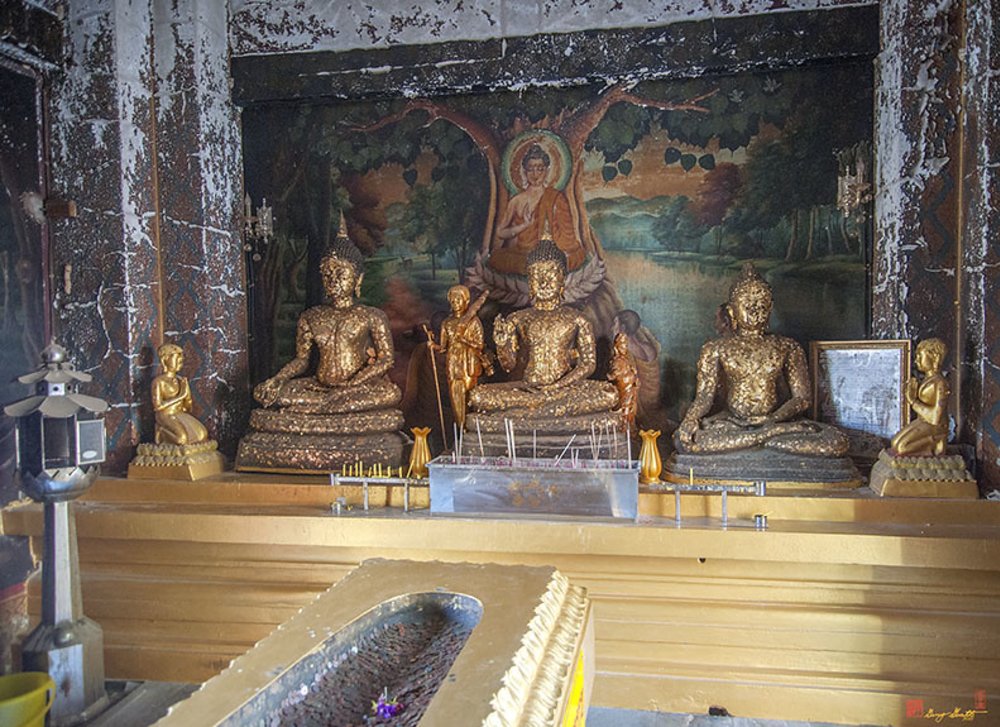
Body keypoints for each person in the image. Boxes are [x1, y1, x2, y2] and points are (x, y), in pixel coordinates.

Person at [675, 263, 848, 457]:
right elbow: (705, 397)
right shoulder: (715, 349)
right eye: (746, 302)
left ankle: (761, 437)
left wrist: (771, 419)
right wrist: (690, 420)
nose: (754, 308)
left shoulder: (787, 346)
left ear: (770, 307)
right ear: (732, 311)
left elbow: (802, 399)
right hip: (734, 424)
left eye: (761, 302)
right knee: (688, 441)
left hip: (778, 421)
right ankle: (769, 437)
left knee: (836, 441)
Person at [469, 236, 617, 419]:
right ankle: (544, 410)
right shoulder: (518, 318)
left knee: (608, 394)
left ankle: (527, 413)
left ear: (562, 279)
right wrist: (502, 345)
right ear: (529, 281)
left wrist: (557, 387)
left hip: (564, 390)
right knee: (478, 395)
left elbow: (588, 364)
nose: (544, 282)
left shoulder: (577, 319)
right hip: (529, 388)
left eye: (550, 275)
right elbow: (509, 365)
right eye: (537, 275)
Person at [252, 233, 400, 414]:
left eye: (341, 274)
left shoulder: (372, 316)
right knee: (268, 393)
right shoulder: (311, 316)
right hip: (320, 386)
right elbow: (301, 360)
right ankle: (328, 405)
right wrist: (279, 378)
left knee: (390, 393)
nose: (333, 281)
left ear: (357, 279)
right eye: (327, 274)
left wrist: (353, 384)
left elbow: (386, 359)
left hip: (356, 388)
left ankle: (316, 407)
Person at [488, 143, 586, 276]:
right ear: (524, 171)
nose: (535, 174)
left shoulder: (556, 198)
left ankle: (542, 266)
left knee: (577, 255)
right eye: (531, 169)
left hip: (552, 253)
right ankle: (540, 267)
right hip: (523, 254)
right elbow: (500, 232)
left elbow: (567, 237)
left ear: (546, 171)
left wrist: (556, 248)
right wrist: (524, 226)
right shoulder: (517, 200)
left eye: (540, 168)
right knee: (496, 258)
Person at [429, 285, 492, 429]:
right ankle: (460, 429)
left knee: (469, 395)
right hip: (452, 362)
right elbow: (444, 347)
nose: (455, 302)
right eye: (453, 299)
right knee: (455, 396)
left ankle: (472, 429)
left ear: (466, 301)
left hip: (468, 362)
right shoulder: (447, 323)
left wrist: (464, 340)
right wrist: (433, 345)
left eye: (459, 299)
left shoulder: (473, 321)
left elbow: (480, 345)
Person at [891, 338, 949, 456]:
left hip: (936, 426)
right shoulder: (926, 380)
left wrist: (913, 401)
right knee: (895, 443)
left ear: (934, 357)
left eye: (920, 356)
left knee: (903, 448)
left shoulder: (940, 383)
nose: (917, 360)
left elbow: (935, 418)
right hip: (922, 421)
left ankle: (934, 445)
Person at [152, 343, 209, 446]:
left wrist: (187, 397)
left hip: (179, 414)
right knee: (181, 440)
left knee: (202, 435)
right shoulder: (159, 381)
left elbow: (188, 407)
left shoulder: (180, 380)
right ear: (166, 359)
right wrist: (180, 396)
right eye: (176, 357)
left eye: (181, 358)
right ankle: (161, 432)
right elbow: (158, 406)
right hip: (165, 415)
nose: (180, 360)